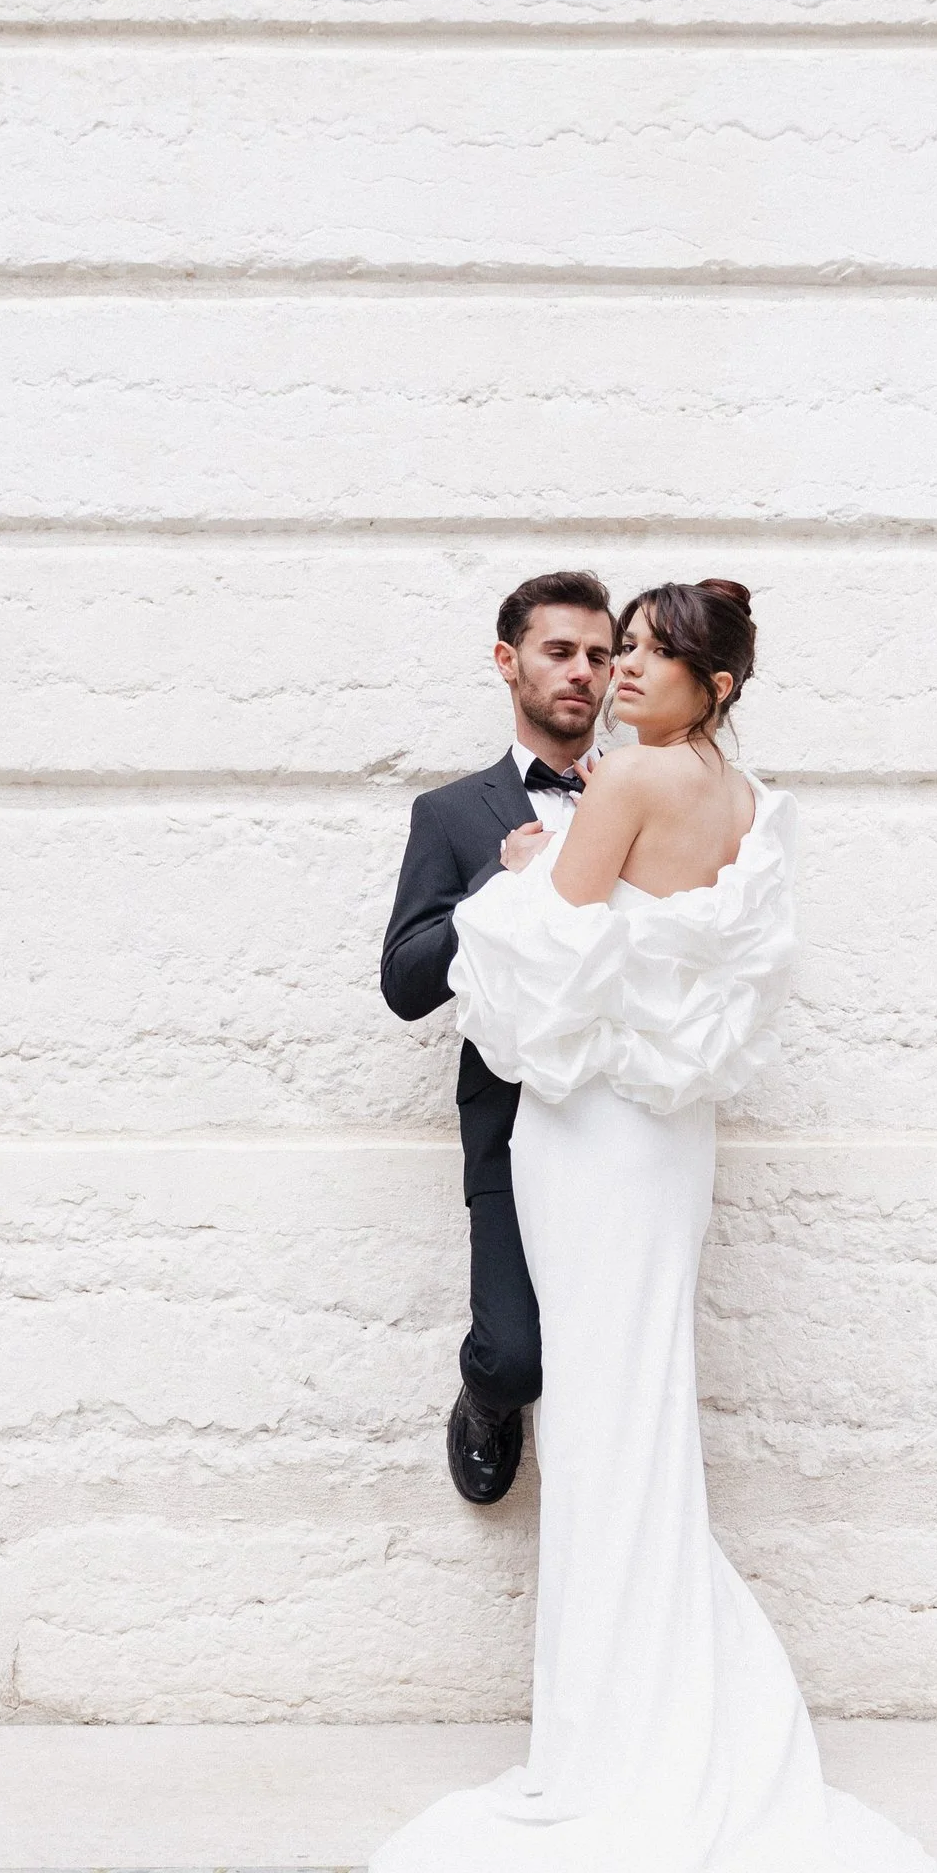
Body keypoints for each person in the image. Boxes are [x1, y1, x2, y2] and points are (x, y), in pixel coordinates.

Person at [370, 579, 937, 1873]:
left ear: (718, 682)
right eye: (614, 652)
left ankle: (614, 1751)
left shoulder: (625, 780)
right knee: (637, 1416)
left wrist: (514, 881)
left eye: (647, 656)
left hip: (594, 1133)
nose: (621, 674)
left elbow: (545, 969)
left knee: (610, 1426)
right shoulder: (749, 809)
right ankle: (665, 1713)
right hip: (669, 1137)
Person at [381, 573, 617, 1504]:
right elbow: (404, 982)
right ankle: (486, 1397)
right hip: (512, 1120)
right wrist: (500, 890)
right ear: (507, 660)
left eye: (600, 655)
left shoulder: (642, 797)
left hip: (623, 1115)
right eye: (560, 651)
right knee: (519, 1354)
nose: (584, 673)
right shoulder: (450, 815)